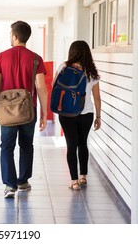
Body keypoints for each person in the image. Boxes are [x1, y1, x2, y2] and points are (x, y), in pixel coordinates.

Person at [0, 21, 48, 198]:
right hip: (28, 109)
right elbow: (41, 88)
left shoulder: (1, 57)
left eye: (10, 34)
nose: (10, 36)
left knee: (6, 146)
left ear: (15, 36)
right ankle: (22, 181)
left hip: (7, 110)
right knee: (26, 145)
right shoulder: (36, 59)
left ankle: (10, 185)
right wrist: (45, 113)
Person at [53, 40, 101, 190]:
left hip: (67, 113)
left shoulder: (64, 67)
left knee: (71, 146)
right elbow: (97, 97)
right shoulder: (92, 72)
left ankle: (74, 181)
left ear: (72, 52)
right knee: (82, 144)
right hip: (86, 113)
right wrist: (99, 116)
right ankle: (83, 177)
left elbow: (55, 86)